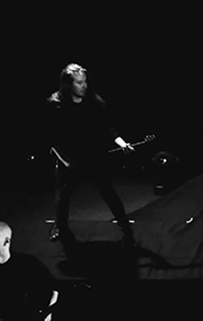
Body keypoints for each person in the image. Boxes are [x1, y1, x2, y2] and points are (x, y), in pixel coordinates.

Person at [46, 63, 136, 247]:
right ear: (68, 85)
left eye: (85, 81)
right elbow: (51, 139)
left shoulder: (94, 102)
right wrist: (66, 161)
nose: (84, 86)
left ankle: (126, 228)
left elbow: (108, 127)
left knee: (108, 192)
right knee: (62, 197)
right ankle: (60, 226)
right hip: (66, 157)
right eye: (79, 83)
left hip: (91, 156)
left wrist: (121, 143)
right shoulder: (55, 105)